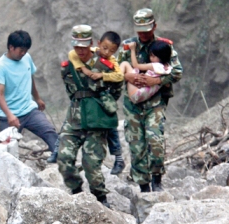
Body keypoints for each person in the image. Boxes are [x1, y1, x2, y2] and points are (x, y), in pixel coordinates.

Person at [117, 8, 183, 192]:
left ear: (154, 26)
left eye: (147, 29)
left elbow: (177, 72)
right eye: (140, 29)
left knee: (155, 140)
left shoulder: (164, 47)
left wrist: (157, 80)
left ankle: (157, 180)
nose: (143, 33)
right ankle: (143, 187)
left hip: (155, 103)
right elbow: (115, 70)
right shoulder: (127, 46)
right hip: (133, 104)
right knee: (136, 144)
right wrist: (128, 77)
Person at [57, 25, 123, 207]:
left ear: (92, 44)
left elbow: (117, 90)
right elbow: (70, 91)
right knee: (64, 159)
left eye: (84, 46)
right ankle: (77, 192)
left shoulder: (106, 66)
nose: (80, 50)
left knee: (91, 164)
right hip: (74, 120)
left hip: (96, 121)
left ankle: (100, 198)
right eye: (77, 46)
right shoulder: (68, 67)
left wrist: (98, 104)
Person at [0, 30, 58, 160]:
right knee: (7, 151)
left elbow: (30, 78)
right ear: (11, 47)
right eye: (21, 50)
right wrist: (10, 115)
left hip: (29, 110)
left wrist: (37, 98)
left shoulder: (26, 58)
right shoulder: (0, 67)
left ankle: (63, 163)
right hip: (8, 116)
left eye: (25, 50)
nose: (23, 53)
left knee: (50, 131)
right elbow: (0, 95)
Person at [64, 31, 126, 174]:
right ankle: (58, 150)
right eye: (105, 48)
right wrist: (84, 68)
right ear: (98, 44)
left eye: (111, 50)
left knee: (110, 126)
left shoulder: (111, 62)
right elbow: (72, 55)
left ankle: (118, 157)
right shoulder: (89, 54)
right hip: (84, 99)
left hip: (102, 99)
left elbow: (119, 78)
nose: (107, 52)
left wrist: (102, 78)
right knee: (72, 121)